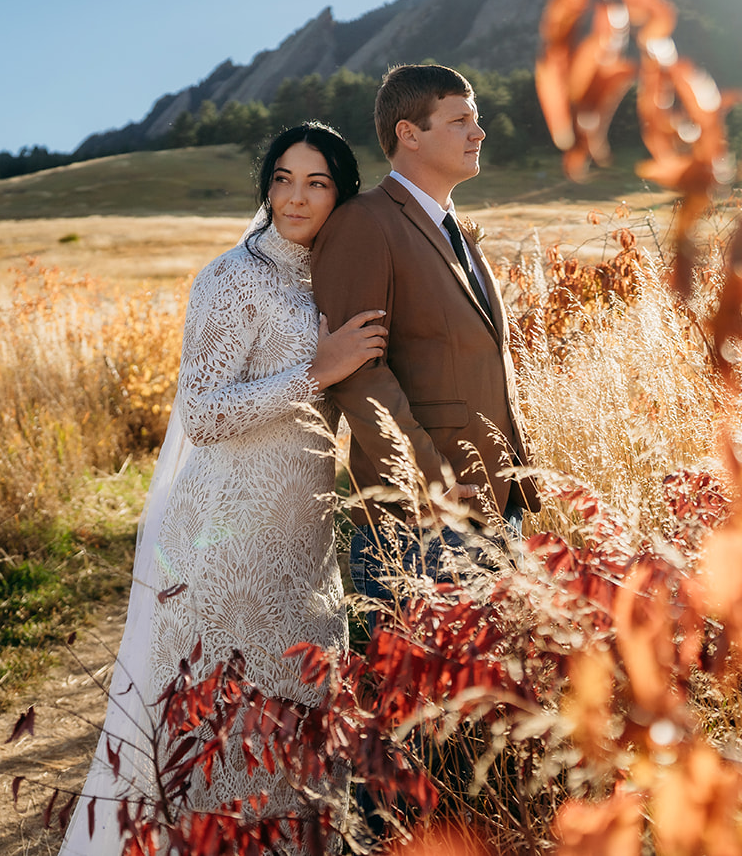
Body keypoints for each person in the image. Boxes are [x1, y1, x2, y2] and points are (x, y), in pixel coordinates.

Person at [58, 123, 384, 856]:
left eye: (317, 182)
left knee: (301, 723)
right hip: (224, 543)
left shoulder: (330, 280)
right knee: (224, 735)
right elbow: (200, 413)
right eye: (283, 178)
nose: (296, 196)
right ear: (265, 186)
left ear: (342, 194)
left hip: (303, 544)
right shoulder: (231, 277)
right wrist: (314, 372)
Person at [311, 64, 541, 608]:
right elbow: (360, 371)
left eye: (476, 120)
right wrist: (425, 477)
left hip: (495, 495)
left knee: (498, 685)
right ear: (408, 134)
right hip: (425, 514)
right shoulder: (365, 223)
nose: (478, 133)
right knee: (423, 691)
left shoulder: (454, 227)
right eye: (460, 121)